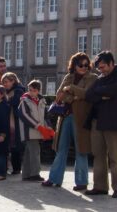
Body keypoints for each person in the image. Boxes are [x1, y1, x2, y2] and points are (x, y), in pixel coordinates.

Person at [42, 52, 97, 190]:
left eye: (86, 64)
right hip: (65, 117)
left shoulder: (92, 78)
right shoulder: (68, 76)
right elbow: (59, 95)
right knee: (61, 149)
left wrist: (71, 89)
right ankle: (54, 178)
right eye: (80, 65)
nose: (84, 67)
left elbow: (87, 94)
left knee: (81, 150)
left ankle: (82, 181)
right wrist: (74, 97)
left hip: (81, 118)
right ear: (74, 65)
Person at [84, 51, 117, 199]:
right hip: (96, 121)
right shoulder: (100, 79)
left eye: (103, 67)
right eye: (99, 68)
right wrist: (104, 95)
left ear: (111, 63)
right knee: (98, 156)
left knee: (115, 156)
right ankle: (100, 187)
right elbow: (89, 95)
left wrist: (102, 94)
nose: (101, 70)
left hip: (113, 122)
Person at [18, 80, 54, 181]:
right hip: (29, 131)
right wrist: (38, 126)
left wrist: (48, 126)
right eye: (30, 90)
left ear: (38, 91)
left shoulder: (42, 101)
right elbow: (25, 116)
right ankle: (34, 174)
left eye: (33, 90)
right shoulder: (24, 101)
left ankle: (26, 174)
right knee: (35, 151)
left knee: (29, 153)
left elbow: (45, 116)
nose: (31, 92)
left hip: (38, 131)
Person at [2, 72, 25, 175]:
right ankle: (7, 167)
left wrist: (6, 100)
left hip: (15, 120)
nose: (4, 84)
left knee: (15, 145)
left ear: (13, 81)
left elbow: (15, 103)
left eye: (6, 82)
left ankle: (16, 168)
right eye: (3, 82)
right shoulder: (8, 92)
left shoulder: (18, 91)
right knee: (10, 145)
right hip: (9, 120)